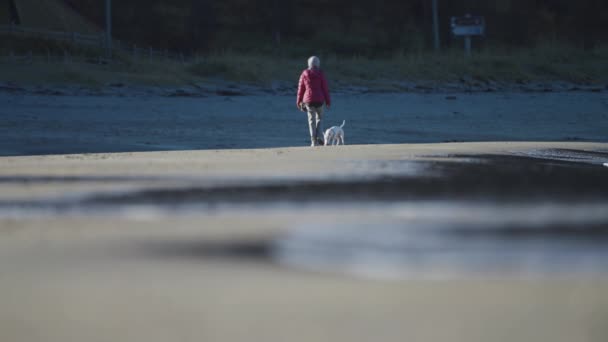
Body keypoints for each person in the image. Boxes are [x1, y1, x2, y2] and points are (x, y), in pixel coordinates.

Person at [297, 56, 331, 146]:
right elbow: (325, 89)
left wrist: (299, 101)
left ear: (309, 64)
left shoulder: (304, 73)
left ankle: (313, 141)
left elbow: (300, 89)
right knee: (320, 118)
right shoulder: (321, 74)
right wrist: (328, 101)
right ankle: (320, 136)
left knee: (311, 120)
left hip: (308, 101)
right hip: (320, 100)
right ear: (318, 64)